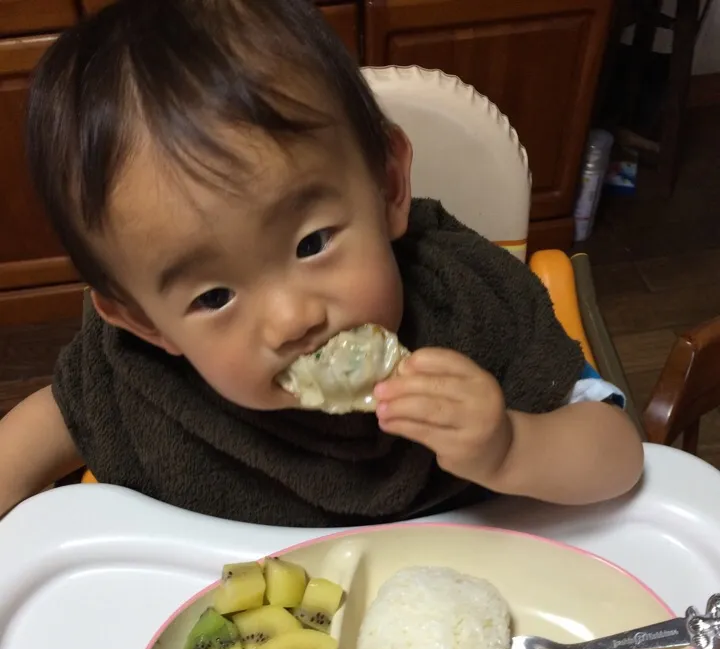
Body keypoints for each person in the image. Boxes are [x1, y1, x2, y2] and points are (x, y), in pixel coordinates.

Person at [0, 0, 643, 526]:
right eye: (214, 296)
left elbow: (618, 456)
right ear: (146, 323)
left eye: (312, 244)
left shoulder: (466, 304)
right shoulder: (137, 376)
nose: (291, 319)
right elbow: (43, 429)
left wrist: (511, 447)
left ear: (389, 188)